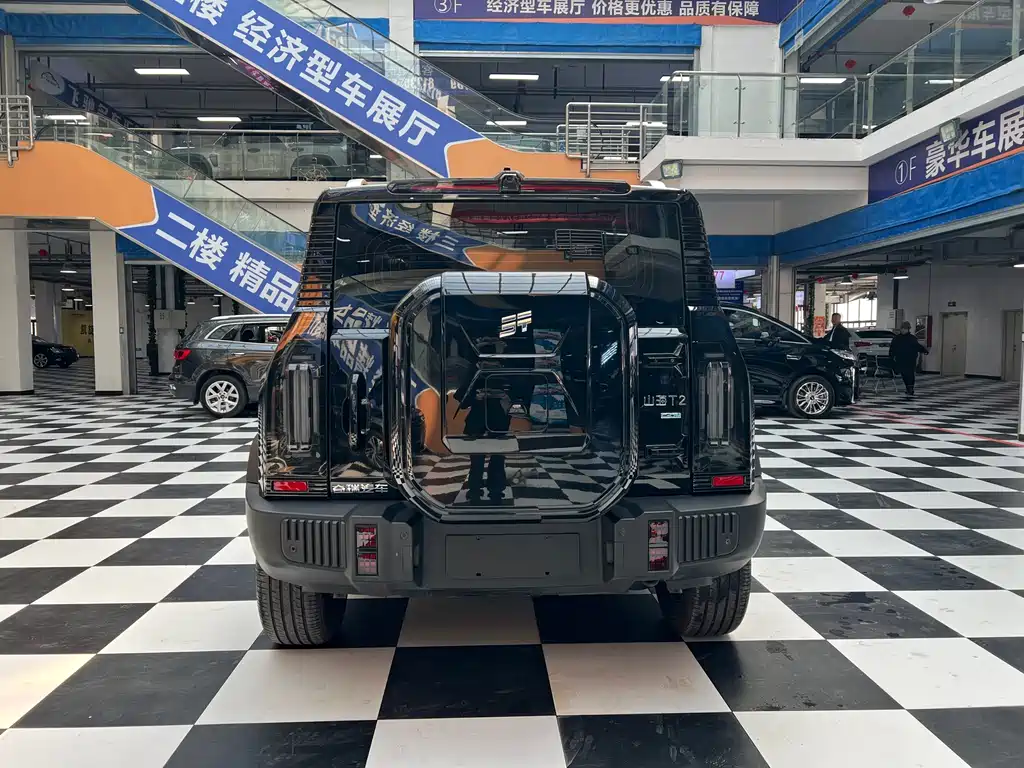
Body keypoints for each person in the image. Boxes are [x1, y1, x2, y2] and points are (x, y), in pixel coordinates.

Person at [888, 321, 929, 397]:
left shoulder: (912, 338)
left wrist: (924, 351)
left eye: (905, 329)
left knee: (910, 374)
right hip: (901, 359)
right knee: (904, 374)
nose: (903, 330)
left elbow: (917, 346)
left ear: (908, 329)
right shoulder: (897, 338)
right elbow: (892, 348)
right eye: (902, 328)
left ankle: (910, 388)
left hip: (910, 359)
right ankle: (908, 387)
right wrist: (891, 356)